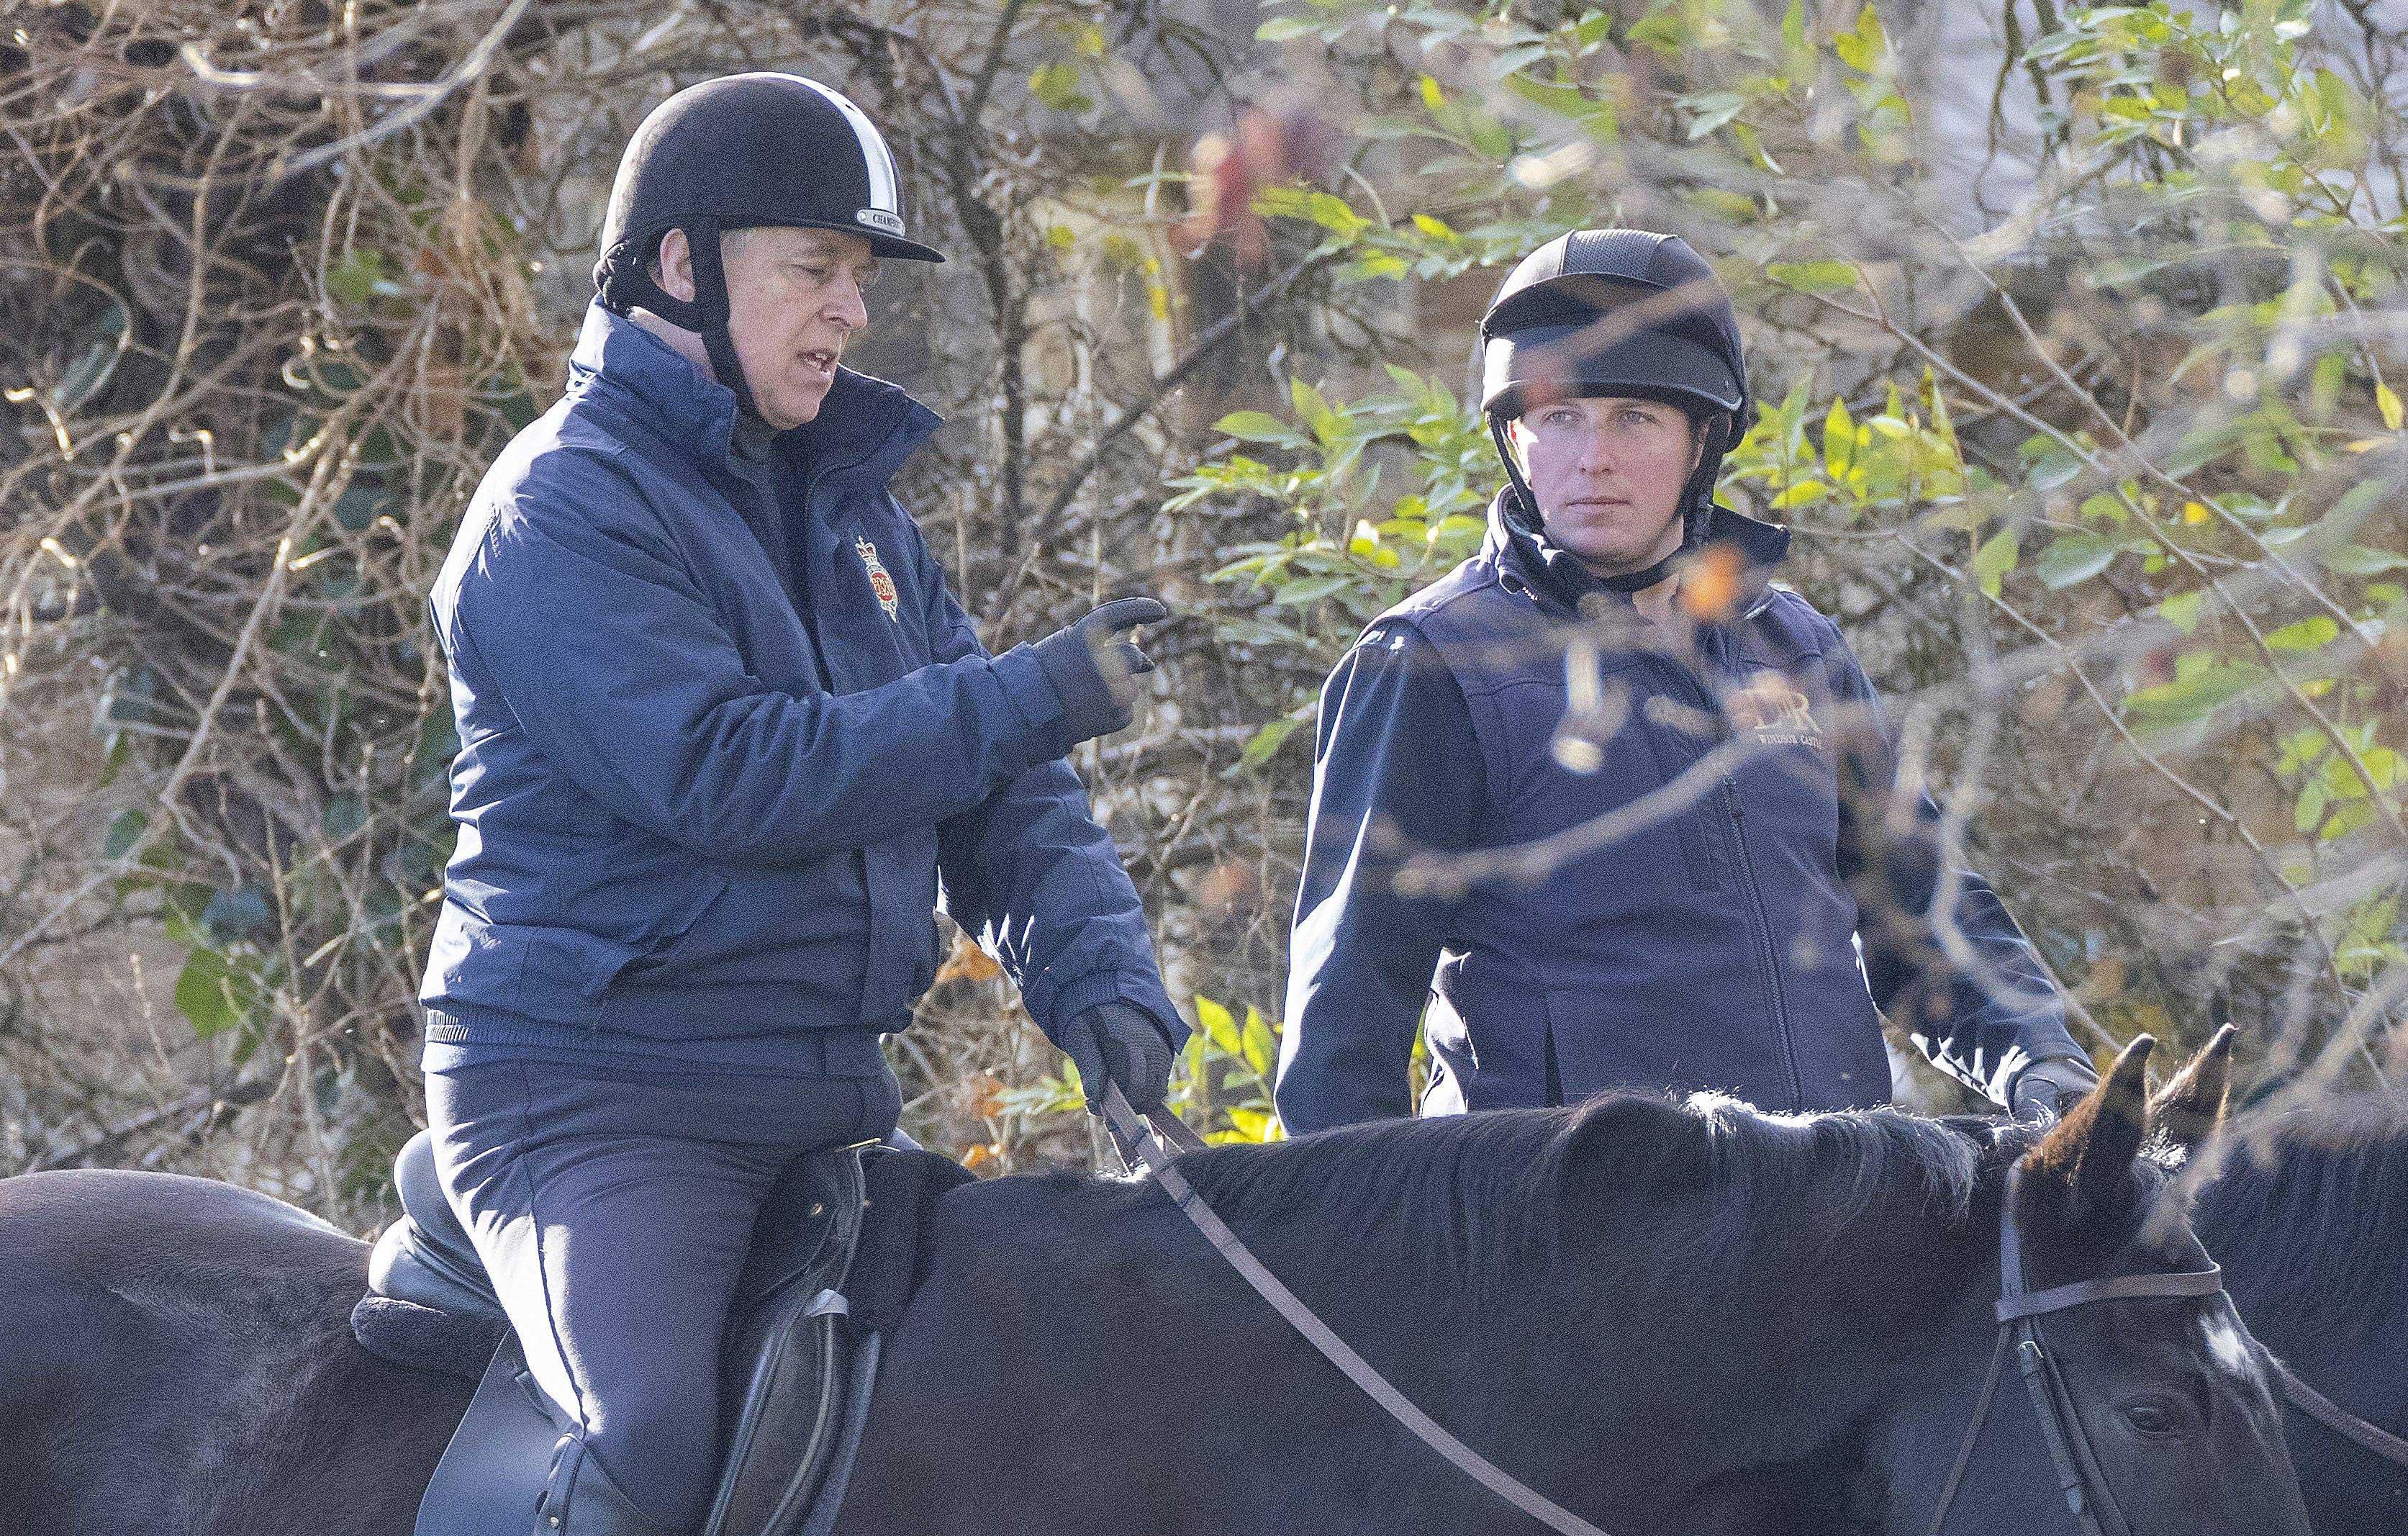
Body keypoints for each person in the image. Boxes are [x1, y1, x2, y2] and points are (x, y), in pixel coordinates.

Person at [417, 73, 1182, 1535]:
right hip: (597, 1098)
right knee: (640, 1440)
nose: (848, 311)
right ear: (679, 267)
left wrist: (1099, 979)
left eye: (857, 280)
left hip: (817, 1095)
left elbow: (1001, 790)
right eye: (814, 270)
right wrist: (1032, 688)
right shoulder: (558, 510)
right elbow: (729, 773)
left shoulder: (853, 516)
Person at [1275, 228, 2097, 1137]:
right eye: (1560, 419)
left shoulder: (1796, 648)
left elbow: (1923, 911)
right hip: (1565, 1237)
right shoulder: (1434, 662)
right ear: (1515, 436)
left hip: (1826, 1207)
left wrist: (2042, 1064)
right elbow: (1344, 1024)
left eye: (1634, 418)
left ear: (1702, 441)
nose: (1592, 457)